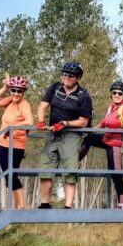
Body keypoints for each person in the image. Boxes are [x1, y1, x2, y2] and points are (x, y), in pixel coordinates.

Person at [77, 80, 123, 209]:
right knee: (89, 139)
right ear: (111, 94)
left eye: (120, 93)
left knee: (115, 173)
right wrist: (91, 131)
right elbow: (104, 122)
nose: (117, 95)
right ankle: (75, 162)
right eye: (114, 92)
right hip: (106, 139)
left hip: (116, 144)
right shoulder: (112, 107)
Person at [36, 61, 93, 209]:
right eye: (64, 74)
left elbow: (83, 121)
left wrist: (65, 123)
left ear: (77, 78)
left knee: (70, 170)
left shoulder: (84, 95)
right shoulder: (55, 87)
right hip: (52, 134)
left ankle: (68, 206)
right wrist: (41, 121)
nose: (66, 77)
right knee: (46, 167)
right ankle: (44, 203)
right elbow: (43, 106)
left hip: (71, 135)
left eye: (71, 75)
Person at [0, 73, 34, 209]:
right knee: (8, 177)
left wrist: (12, 127)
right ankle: (13, 208)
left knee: (12, 176)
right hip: (2, 144)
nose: (16, 93)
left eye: (19, 91)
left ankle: (22, 208)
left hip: (16, 146)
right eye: (13, 90)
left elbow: (30, 121)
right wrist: (4, 87)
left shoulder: (24, 105)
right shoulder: (9, 101)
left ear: (23, 92)